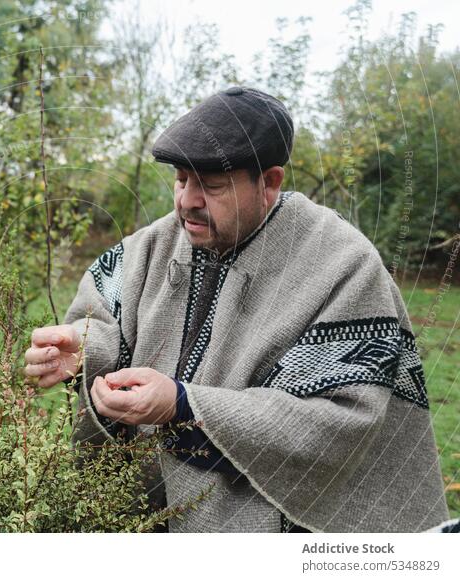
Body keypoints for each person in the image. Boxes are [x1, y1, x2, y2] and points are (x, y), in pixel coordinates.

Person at [23, 86, 450, 533]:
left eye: (210, 185)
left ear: (269, 182)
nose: (187, 200)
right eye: (181, 178)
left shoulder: (342, 264)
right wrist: (86, 349)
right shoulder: (157, 243)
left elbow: (342, 418)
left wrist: (183, 406)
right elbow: (109, 322)